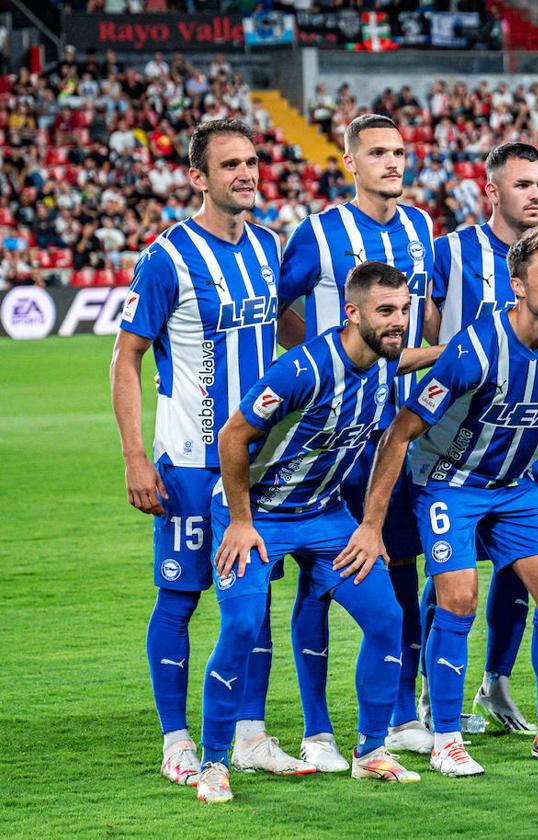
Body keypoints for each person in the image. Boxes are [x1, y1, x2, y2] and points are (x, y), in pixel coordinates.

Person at [337, 230, 538, 777]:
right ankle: (444, 738)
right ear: (517, 286)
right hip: (449, 483)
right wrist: (372, 525)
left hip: (514, 486)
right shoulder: (474, 349)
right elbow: (400, 432)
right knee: (458, 597)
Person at [111, 119, 308, 787]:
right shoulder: (166, 257)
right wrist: (137, 457)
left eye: (251, 161)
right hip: (191, 462)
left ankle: (250, 734)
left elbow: (284, 323)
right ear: (198, 178)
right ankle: (176, 741)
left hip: (257, 464)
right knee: (181, 598)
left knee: (252, 599)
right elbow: (126, 357)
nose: (246, 173)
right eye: (229, 165)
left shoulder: (268, 246)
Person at [193, 261, 433, 803]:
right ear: (352, 314)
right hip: (257, 516)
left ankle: (371, 752)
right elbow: (233, 436)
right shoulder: (302, 369)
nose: (399, 322)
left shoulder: (383, 363)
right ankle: (212, 764)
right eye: (386, 312)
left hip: (324, 517)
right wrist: (239, 520)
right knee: (241, 626)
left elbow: (407, 362)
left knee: (386, 617)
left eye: (404, 310)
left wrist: (370, 526)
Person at [277, 113, 439, 766]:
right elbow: (271, 304)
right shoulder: (319, 233)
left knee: (402, 567)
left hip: (391, 432)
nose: (393, 163)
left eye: (400, 152)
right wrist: (323, 361)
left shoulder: (422, 227)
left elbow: (423, 308)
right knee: (316, 582)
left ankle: (401, 715)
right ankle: (317, 729)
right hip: (325, 439)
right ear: (350, 164)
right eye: (377, 153)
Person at [422, 141, 538, 734]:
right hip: (454, 449)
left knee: (523, 572)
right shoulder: (451, 253)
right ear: (492, 191)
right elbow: (420, 334)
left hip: (527, 448)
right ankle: (430, 695)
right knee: (447, 575)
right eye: (523, 185)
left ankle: (496, 685)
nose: (535, 195)